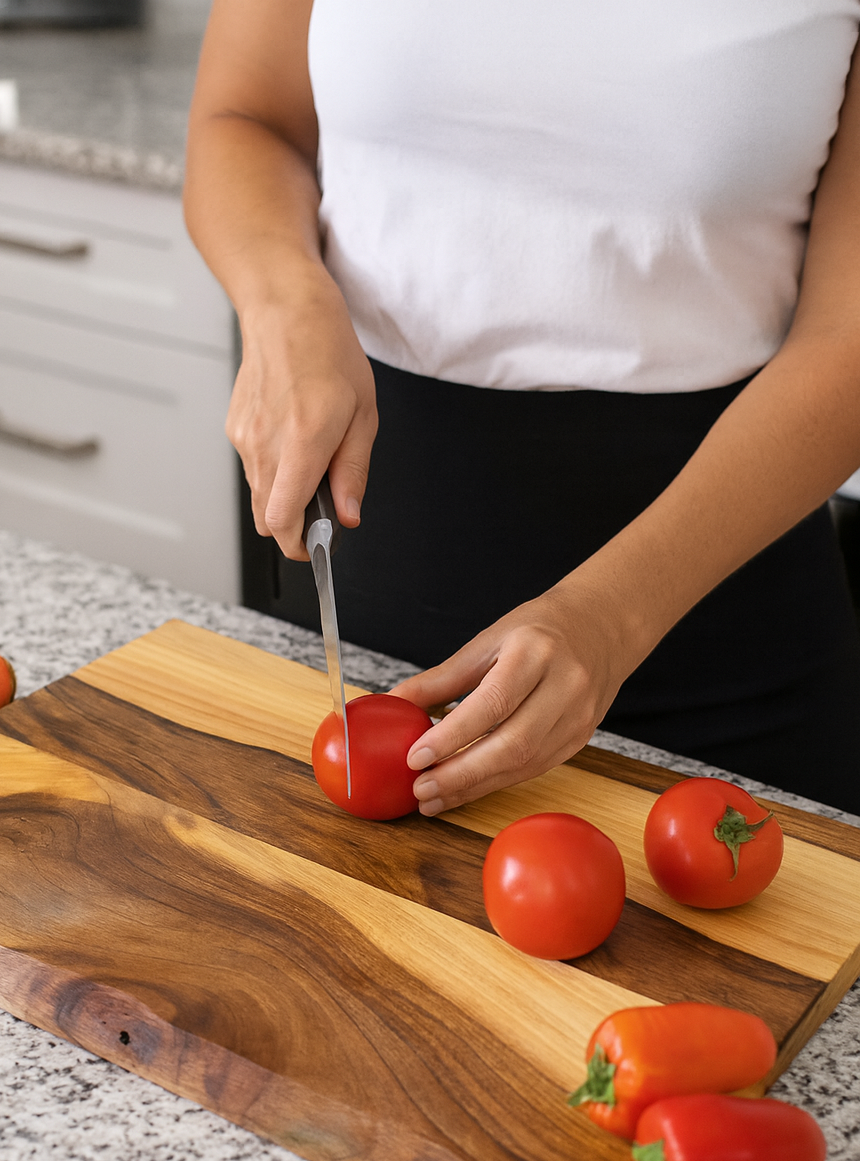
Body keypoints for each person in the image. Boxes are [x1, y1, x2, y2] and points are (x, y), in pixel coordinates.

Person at [184, 0, 860, 816]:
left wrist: (611, 617)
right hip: (357, 608)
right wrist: (284, 300)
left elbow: (847, 338)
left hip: (720, 641)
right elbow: (245, 117)